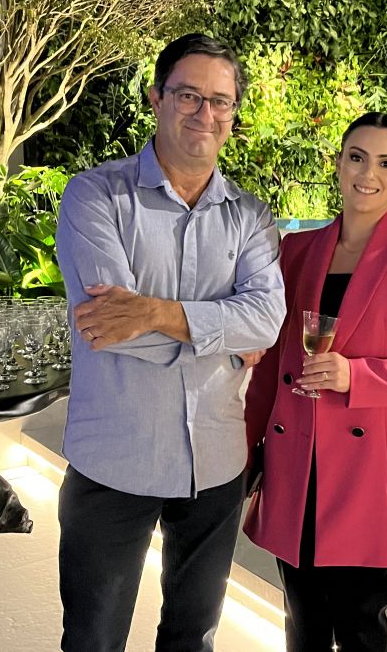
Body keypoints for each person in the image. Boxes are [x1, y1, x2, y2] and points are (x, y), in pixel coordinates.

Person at [54, 34, 285, 652]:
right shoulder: (94, 196)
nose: (204, 114)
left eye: (220, 102)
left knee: (193, 638)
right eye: (188, 95)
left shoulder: (252, 217)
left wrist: (154, 312)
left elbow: (267, 321)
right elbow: (108, 328)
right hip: (114, 464)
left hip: (215, 463)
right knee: (92, 640)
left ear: (233, 116)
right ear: (156, 98)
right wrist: (222, 335)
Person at [243, 112, 387, 652]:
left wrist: (355, 374)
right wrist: (247, 448)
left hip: (372, 469)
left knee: (363, 620)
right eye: (357, 157)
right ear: (339, 163)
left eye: (386, 162)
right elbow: (272, 365)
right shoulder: (296, 251)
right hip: (297, 458)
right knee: (302, 617)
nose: (369, 173)